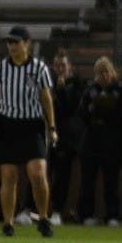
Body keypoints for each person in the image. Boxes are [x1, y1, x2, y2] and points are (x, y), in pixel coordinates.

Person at [0, 26, 56, 238]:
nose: (11, 46)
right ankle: (8, 223)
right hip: (8, 125)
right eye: (9, 42)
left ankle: (43, 218)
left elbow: (46, 99)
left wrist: (52, 127)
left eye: (16, 42)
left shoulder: (39, 68)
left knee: (37, 173)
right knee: (8, 176)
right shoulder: (0, 68)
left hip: (32, 125)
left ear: (27, 44)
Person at [77, 55, 122, 226]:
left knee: (111, 182)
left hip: (112, 144)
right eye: (99, 73)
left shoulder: (121, 93)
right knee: (88, 181)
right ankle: (87, 214)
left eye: (106, 71)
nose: (103, 76)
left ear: (112, 72)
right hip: (92, 143)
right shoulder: (89, 92)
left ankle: (112, 215)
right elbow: (83, 115)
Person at [47, 49, 85, 226]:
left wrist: (61, 90)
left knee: (62, 176)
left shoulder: (77, 84)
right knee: (40, 173)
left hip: (66, 137)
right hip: (47, 134)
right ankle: (34, 209)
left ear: (70, 66)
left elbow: (70, 108)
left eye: (63, 65)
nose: (60, 68)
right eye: (57, 65)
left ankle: (56, 210)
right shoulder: (48, 83)